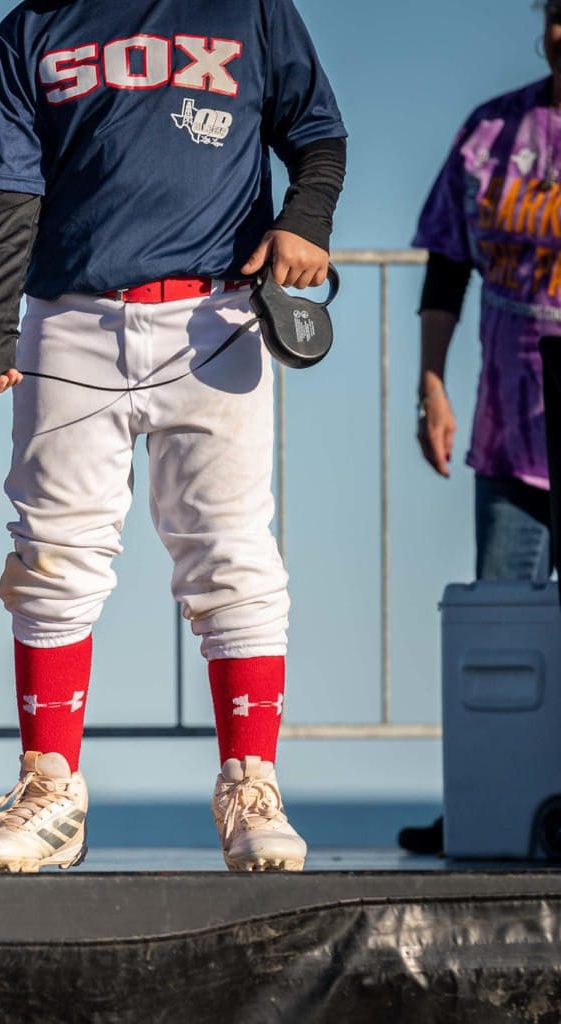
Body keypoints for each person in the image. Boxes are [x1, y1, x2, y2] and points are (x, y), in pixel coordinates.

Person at [0, 0, 346, 872]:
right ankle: (49, 789)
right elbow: (9, 186)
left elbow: (317, 134)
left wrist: (306, 222)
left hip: (216, 313)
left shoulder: (249, 8)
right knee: (52, 553)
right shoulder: (33, 26)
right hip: (67, 316)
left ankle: (252, 788)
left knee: (232, 552)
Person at [400, 0, 561, 857]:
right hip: (510, 424)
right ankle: (490, 799)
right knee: (502, 634)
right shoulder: (492, 132)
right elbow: (446, 264)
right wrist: (431, 381)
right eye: (557, 13)